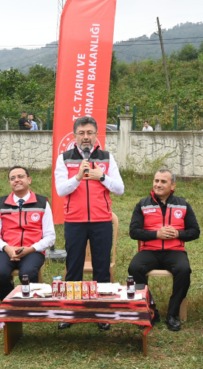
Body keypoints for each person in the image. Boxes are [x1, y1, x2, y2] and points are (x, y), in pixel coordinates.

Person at [54, 116, 124, 331]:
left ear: (96, 135)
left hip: (101, 221)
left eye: (90, 133)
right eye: (82, 133)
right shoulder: (64, 158)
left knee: (101, 267)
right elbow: (60, 190)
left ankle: (101, 312)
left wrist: (101, 177)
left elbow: (120, 189)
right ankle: (71, 311)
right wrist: (77, 177)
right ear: (75, 135)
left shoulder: (107, 158)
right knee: (73, 267)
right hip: (74, 221)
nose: (86, 137)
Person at [127, 169, 200, 331]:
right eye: (156, 181)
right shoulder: (143, 204)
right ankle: (150, 310)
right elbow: (134, 232)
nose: (158, 184)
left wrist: (178, 234)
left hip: (175, 251)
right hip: (149, 250)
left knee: (184, 270)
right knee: (134, 268)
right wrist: (156, 234)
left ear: (173, 185)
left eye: (163, 181)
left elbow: (195, 232)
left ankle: (172, 314)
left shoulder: (183, 204)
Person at [0, 166, 55, 302]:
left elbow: (50, 236)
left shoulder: (42, 203)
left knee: (28, 274)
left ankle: (29, 305)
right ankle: (11, 303)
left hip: (32, 251)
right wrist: (6, 248)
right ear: (9, 183)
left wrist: (31, 249)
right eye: (12, 178)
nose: (16, 180)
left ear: (29, 180)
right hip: (7, 250)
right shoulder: (1, 204)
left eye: (20, 176)